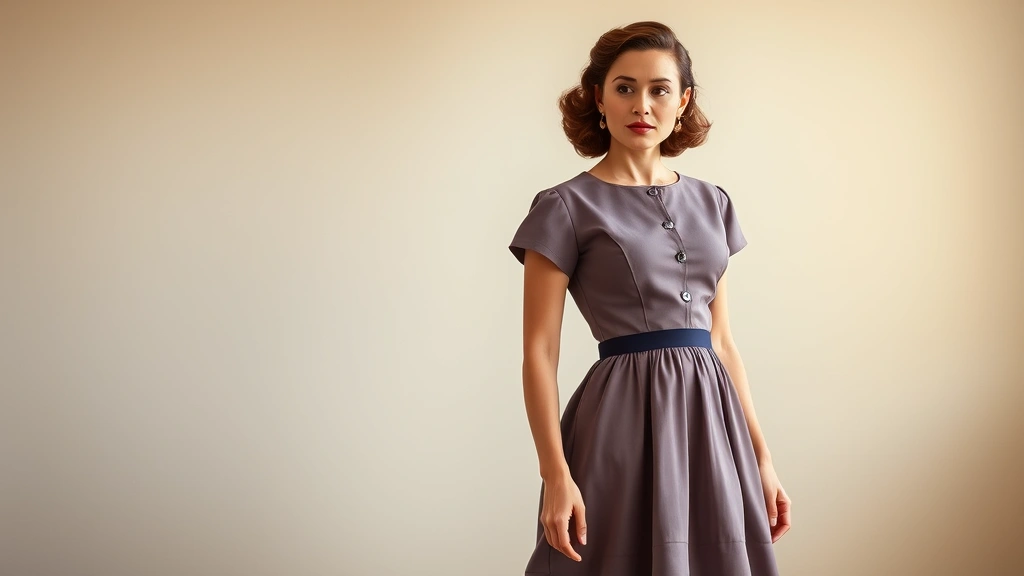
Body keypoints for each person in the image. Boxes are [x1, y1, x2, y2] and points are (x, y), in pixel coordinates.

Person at [508, 21, 791, 575]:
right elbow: (538, 354)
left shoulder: (713, 203)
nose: (643, 104)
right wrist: (555, 473)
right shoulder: (564, 207)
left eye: (660, 89)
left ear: (682, 101)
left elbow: (723, 342)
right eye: (625, 87)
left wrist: (762, 457)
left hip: (712, 425)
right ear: (599, 98)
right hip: (620, 423)